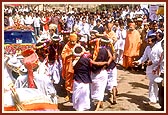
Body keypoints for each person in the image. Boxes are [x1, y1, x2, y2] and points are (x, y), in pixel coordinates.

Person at [72, 44, 108, 111]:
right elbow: (95, 64)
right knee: (83, 98)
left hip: (77, 81)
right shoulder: (86, 60)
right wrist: (105, 62)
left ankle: (77, 108)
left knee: (77, 97)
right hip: (84, 81)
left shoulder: (73, 61)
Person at [133, 34, 159, 105]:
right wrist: (138, 62)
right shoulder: (147, 48)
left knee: (154, 83)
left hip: (157, 68)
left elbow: (161, 59)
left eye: (150, 41)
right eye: (148, 41)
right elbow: (144, 57)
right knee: (152, 83)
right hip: (150, 68)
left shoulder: (158, 48)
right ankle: (154, 98)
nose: (149, 42)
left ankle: (154, 99)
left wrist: (153, 62)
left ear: (154, 42)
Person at [61, 33, 78, 101]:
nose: (72, 43)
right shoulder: (67, 46)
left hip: (76, 66)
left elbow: (82, 53)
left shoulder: (78, 46)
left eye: (74, 41)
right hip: (68, 65)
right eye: (71, 41)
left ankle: (75, 95)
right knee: (68, 80)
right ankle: (68, 95)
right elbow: (63, 55)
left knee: (76, 81)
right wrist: (70, 54)